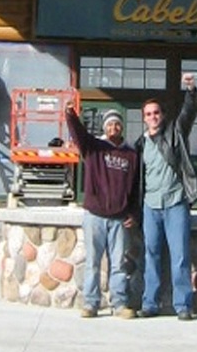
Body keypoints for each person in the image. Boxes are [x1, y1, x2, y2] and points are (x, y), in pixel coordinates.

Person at [134, 73, 197, 320]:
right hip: (150, 207)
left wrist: (191, 89)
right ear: (144, 118)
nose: (153, 117)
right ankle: (149, 303)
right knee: (150, 254)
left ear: (162, 115)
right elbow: (135, 180)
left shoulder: (175, 132)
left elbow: (188, 112)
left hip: (175, 204)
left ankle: (183, 306)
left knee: (180, 255)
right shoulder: (140, 144)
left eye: (156, 113)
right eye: (148, 114)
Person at [65, 103, 139, 319]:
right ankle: (90, 303)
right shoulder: (94, 148)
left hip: (119, 219)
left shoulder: (131, 155)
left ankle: (119, 304)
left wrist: (133, 213)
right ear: (105, 128)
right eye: (109, 124)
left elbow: (136, 189)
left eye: (117, 124)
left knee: (118, 265)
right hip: (94, 216)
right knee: (93, 263)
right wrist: (70, 115)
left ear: (122, 127)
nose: (113, 127)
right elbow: (78, 134)